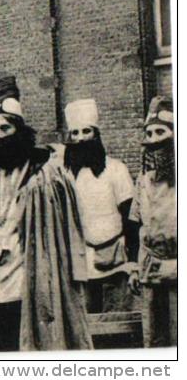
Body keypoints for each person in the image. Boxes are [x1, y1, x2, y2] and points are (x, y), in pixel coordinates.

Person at [0, 75, 91, 352]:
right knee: (1, 344)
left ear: (19, 129)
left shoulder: (45, 174)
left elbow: (61, 231)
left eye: (4, 129)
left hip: (33, 278)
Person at [60, 99, 137, 316]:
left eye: (86, 131)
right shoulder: (66, 175)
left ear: (96, 134)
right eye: (74, 133)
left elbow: (130, 217)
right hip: (81, 263)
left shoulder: (116, 170)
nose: (81, 138)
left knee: (118, 321)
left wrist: (132, 260)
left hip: (115, 259)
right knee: (87, 325)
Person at [130, 96, 177, 348]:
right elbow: (139, 226)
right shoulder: (143, 180)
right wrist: (136, 268)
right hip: (150, 271)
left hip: (178, 272)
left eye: (161, 131)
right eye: (149, 133)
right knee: (153, 340)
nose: (154, 139)